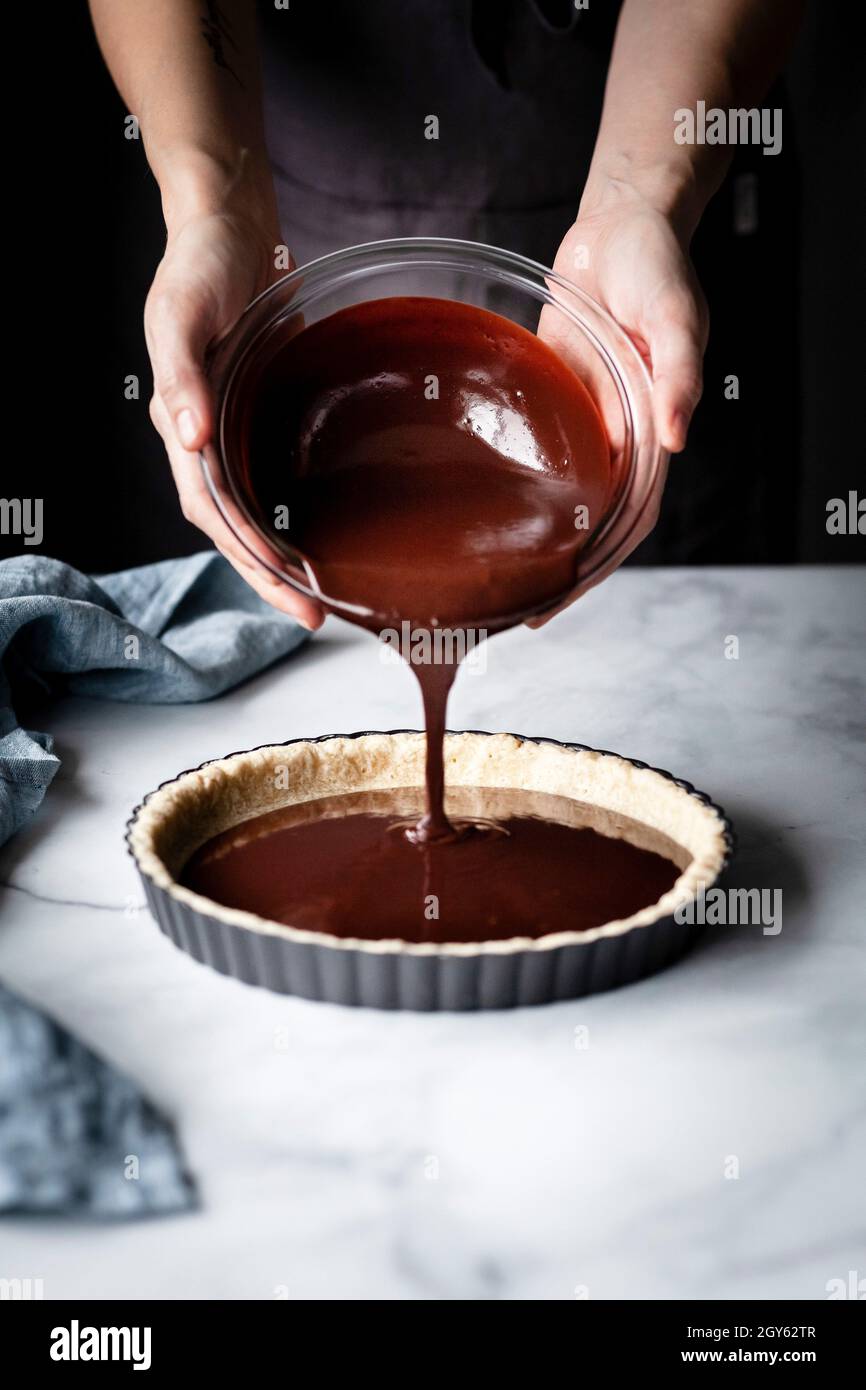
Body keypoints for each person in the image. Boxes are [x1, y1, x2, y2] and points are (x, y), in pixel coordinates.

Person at [89, 0, 804, 630]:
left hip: (644, 242)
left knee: (670, 662)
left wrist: (644, 196)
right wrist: (215, 203)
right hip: (274, 232)